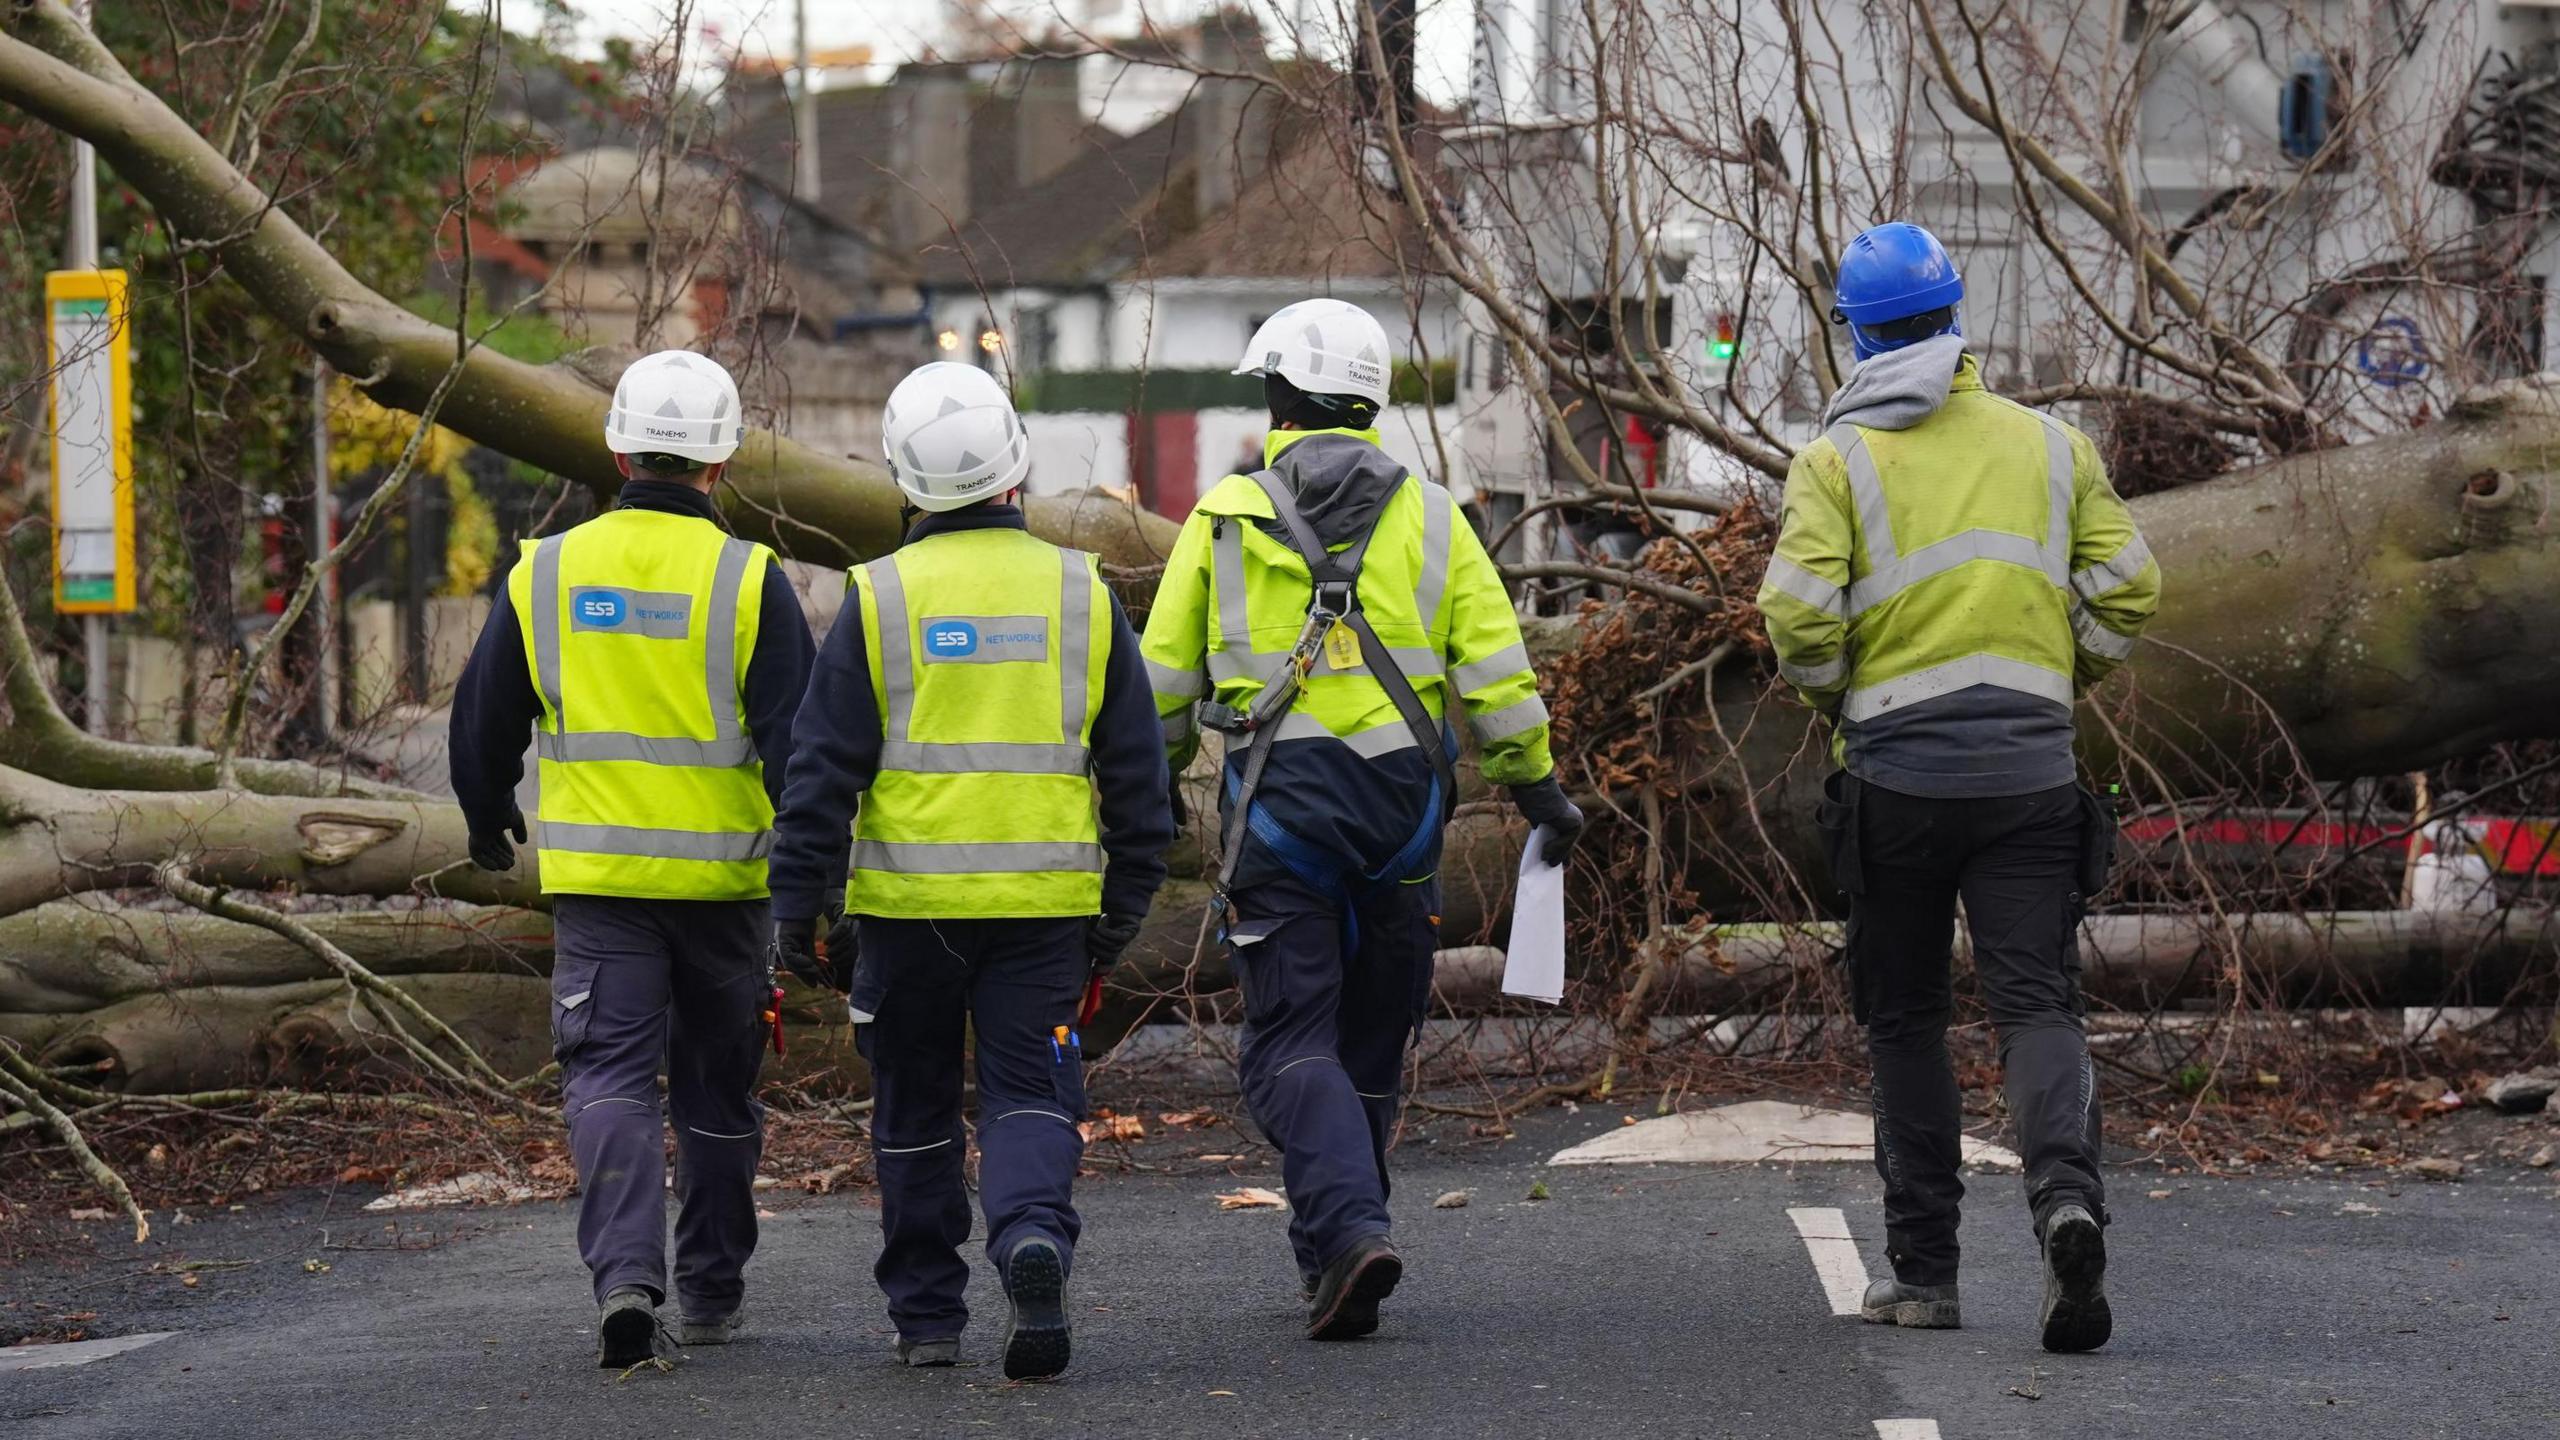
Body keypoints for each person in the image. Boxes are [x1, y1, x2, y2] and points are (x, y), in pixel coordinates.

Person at [1140, 297, 1583, 1342]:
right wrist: (1536, 790)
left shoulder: (1223, 516)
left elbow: (1160, 681)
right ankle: (1337, 1246)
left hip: (1281, 817)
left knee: (1290, 1038)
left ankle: (1346, 1233)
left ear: (1280, 395)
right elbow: (1498, 672)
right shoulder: (1437, 516)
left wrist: (1149, 791)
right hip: (1403, 817)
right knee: (1371, 1042)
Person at [1755, 222, 2162, 1354]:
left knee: (1906, 1023)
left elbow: (1793, 617)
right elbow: (2131, 588)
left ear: (1856, 332)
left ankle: (1924, 1274)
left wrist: (1842, 699)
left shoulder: (1834, 462)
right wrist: (2059, 671)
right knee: (2036, 1005)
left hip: (1894, 781)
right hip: (2031, 773)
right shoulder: (2051, 448)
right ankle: (2065, 1207)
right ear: (1955, 316)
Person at [763, 361, 1171, 1381]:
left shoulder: (878, 597)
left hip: (905, 915)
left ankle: (927, 1318)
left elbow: (819, 775)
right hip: (1044, 911)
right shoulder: (1082, 595)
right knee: (1033, 1096)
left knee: (912, 1109)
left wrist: (794, 913)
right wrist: (1117, 919)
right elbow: (1138, 781)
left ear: (901, 478)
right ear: (1015, 468)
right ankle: (1031, 1238)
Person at [449, 349, 814, 1367]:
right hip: (725, 892)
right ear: (722, 461)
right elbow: (801, 752)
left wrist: (486, 819)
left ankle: (625, 1282)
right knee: (716, 1095)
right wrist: (816, 885)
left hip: (601, 891)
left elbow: (483, 721)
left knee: (608, 1078)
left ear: (615, 448)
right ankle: (711, 1291)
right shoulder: (752, 580)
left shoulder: (547, 571)